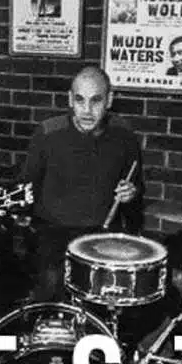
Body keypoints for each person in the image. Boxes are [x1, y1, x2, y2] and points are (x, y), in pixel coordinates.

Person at [23, 66, 142, 303]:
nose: (87, 110)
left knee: (110, 302)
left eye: (96, 100)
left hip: (102, 235)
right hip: (54, 234)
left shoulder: (124, 135)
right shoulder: (47, 133)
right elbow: (26, 188)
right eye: (80, 100)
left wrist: (131, 193)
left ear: (109, 100)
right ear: (70, 99)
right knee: (51, 291)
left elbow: (137, 191)